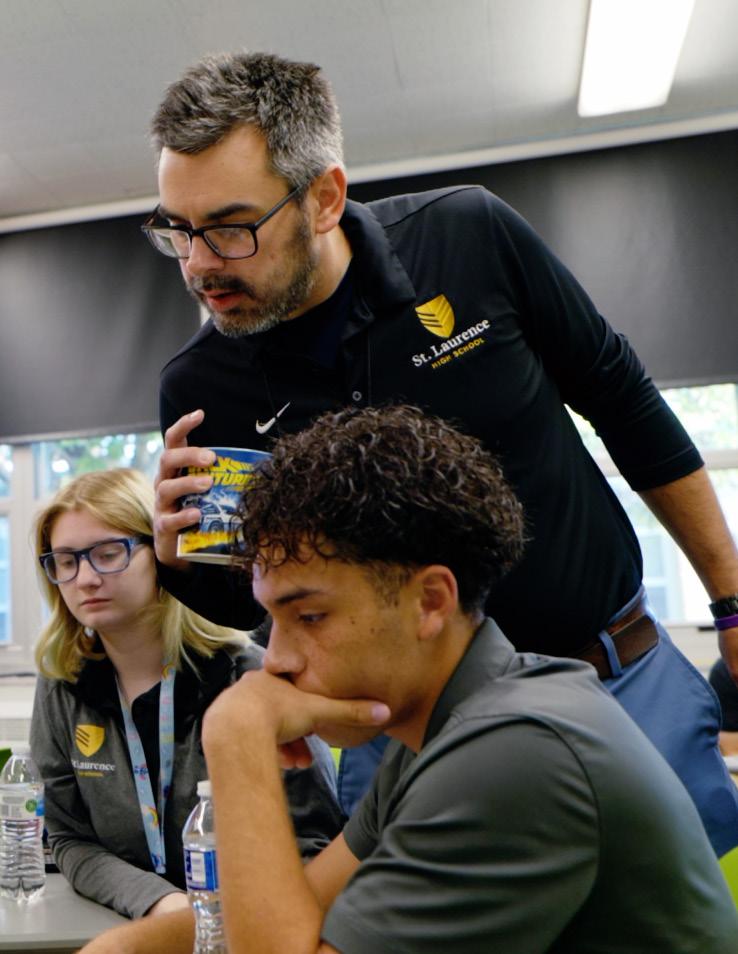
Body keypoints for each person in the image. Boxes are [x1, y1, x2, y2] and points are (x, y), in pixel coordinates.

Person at [145, 51, 738, 859]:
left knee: (681, 911)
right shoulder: (200, 385)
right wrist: (182, 564)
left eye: (229, 227)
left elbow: (624, 403)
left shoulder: (468, 237)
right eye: (177, 231)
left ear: (324, 198)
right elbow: (268, 597)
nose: (198, 265)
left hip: (617, 683)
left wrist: (730, 602)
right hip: (406, 741)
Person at [79, 406, 738, 954]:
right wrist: (124, 947)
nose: (276, 660)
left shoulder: (515, 751)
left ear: (429, 602)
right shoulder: (446, 726)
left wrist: (236, 739)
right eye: (272, 619)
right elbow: (308, 902)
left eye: (310, 616)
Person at [29, 467, 342, 920]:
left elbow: (313, 843)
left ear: (161, 550)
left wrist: (215, 922)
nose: (86, 579)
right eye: (66, 561)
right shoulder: (61, 682)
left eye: (108, 554)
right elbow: (69, 838)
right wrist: (161, 904)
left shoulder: (250, 674)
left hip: (254, 925)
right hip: (140, 922)